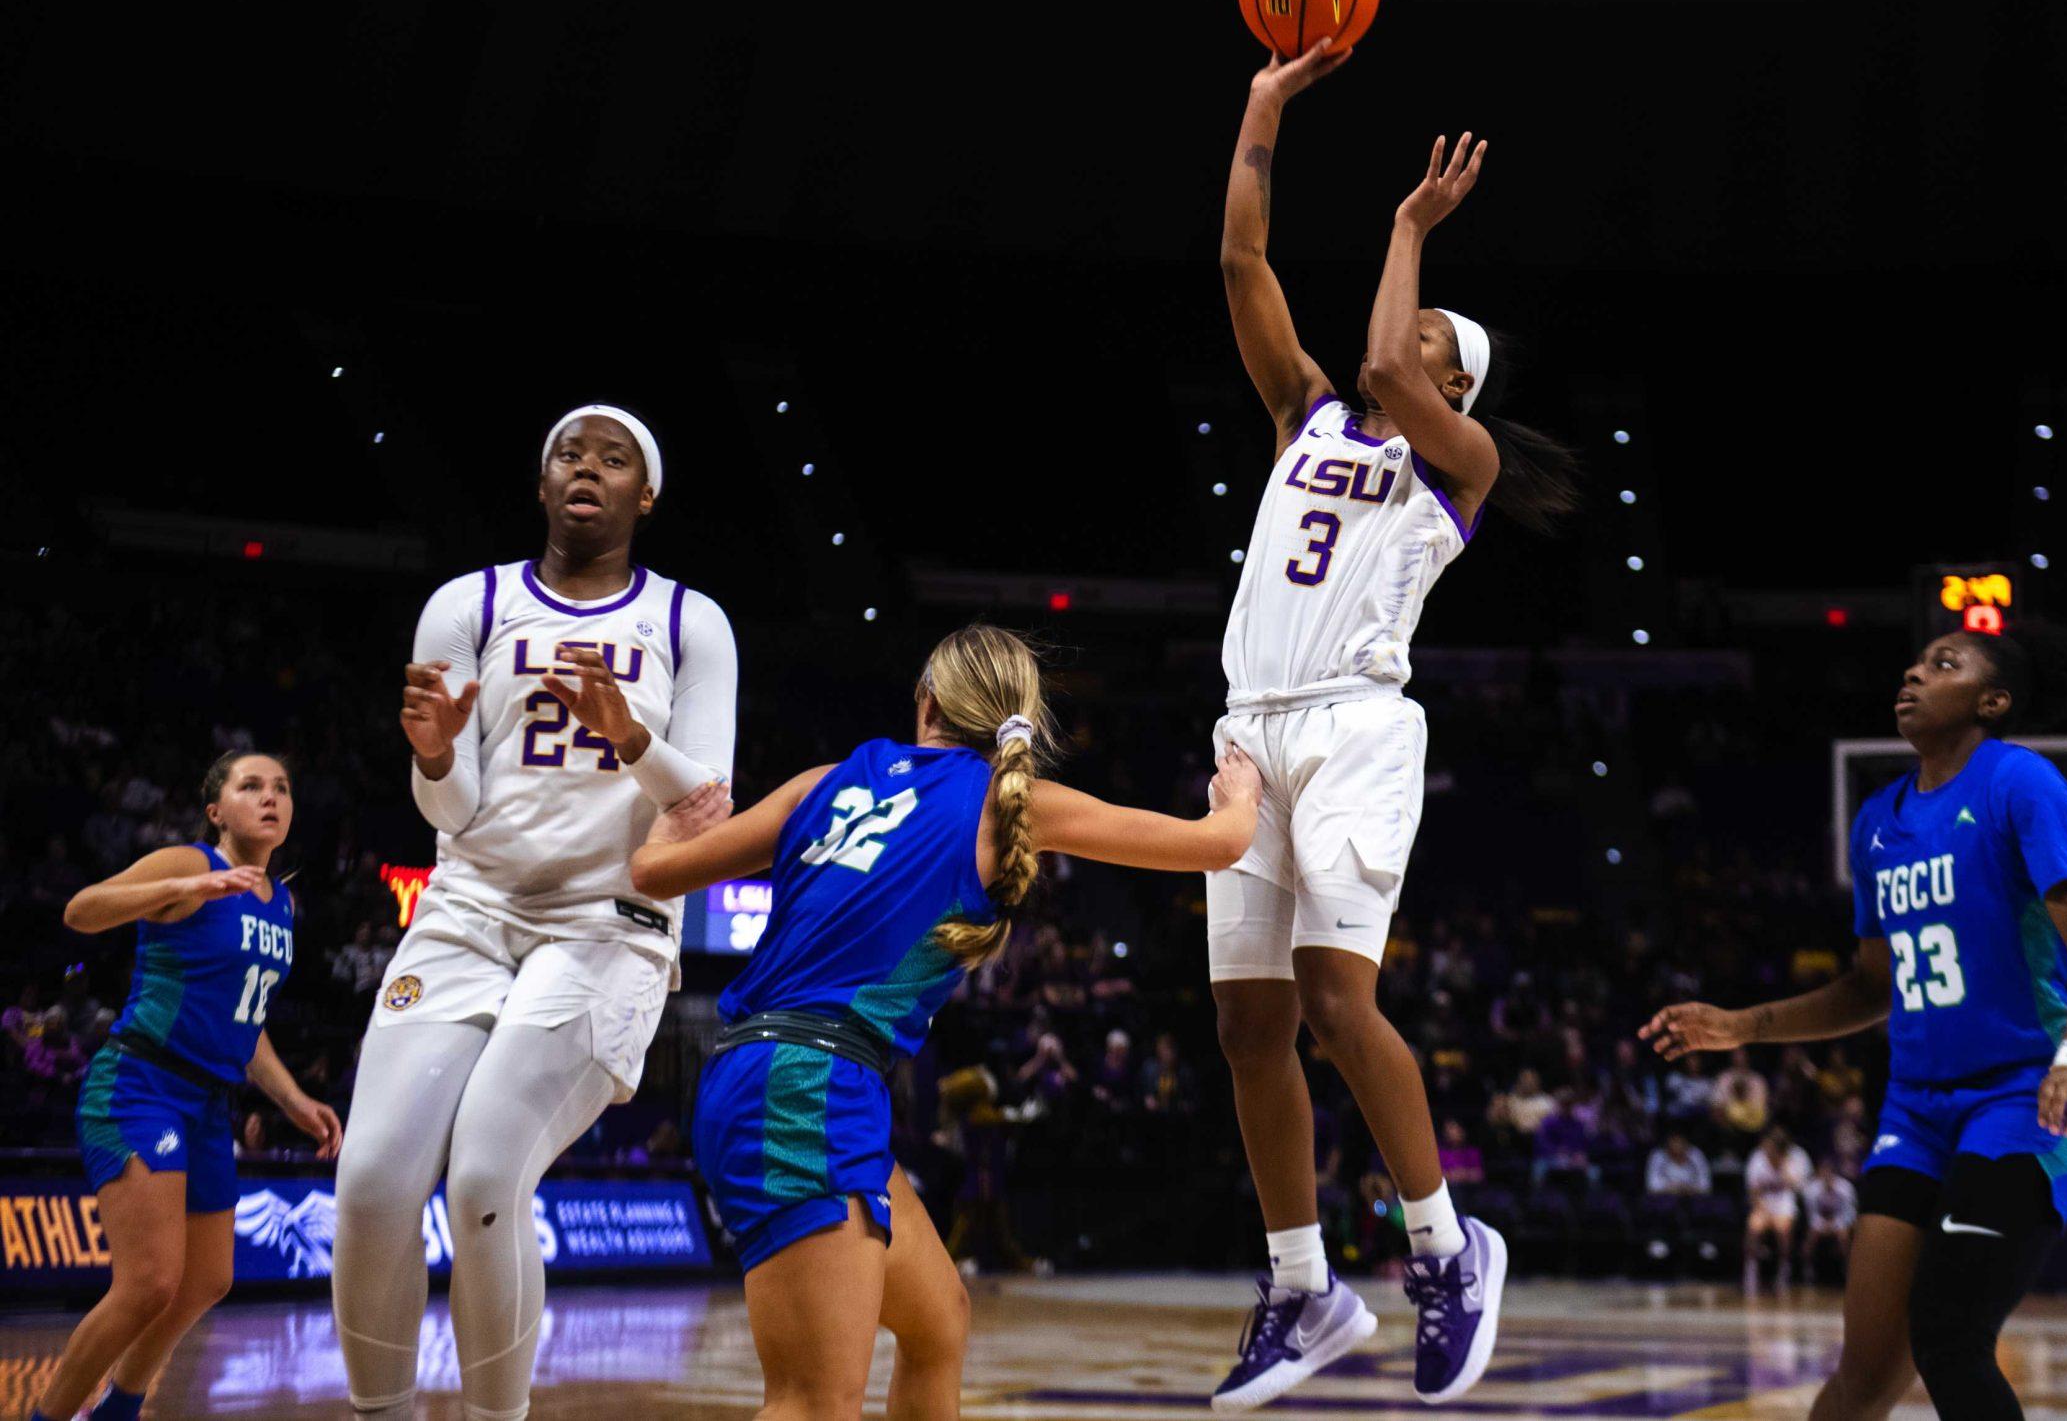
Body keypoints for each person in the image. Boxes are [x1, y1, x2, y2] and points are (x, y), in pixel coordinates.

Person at [624, 623, 1266, 1421]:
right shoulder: (1006, 803)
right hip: (807, 1087)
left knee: (937, 1323)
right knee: (814, 1401)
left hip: (777, 1076)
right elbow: (1221, 843)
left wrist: (674, 815)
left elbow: (651, 873)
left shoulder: (828, 778)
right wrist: (1241, 787)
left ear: (925, 699)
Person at [1204, 43, 1575, 1411]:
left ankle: (1443, 1246)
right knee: (1250, 1026)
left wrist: (1411, 229)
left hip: (1358, 727)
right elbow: (1245, 268)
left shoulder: (1455, 466)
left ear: (1454, 392)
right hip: (1250, 728)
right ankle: (1302, 1283)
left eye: (1429, 347)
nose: (1400, 347)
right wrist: (1261, 108)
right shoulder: (1306, 419)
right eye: (1412, 325)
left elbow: (1377, 349)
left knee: (1338, 1001)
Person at [332, 404, 738, 1421]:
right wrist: (433, 756)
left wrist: (631, 736)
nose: (587, 468)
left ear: (646, 496)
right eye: (569, 453)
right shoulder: (466, 605)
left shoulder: (691, 623)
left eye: (614, 458)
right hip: (469, 907)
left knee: (481, 1180)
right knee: (375, 1183)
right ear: (543, 483)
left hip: (609, 925)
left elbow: (708, 807)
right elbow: (454, 809)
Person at [1643, 620, 2067, 1421]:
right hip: (1916, 1108)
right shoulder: (1877, 822)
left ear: (1991, 699)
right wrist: (1743, 1026)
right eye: (1915, 661)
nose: (1913, 673)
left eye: (1944, 663)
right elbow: (1873, 984)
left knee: (1949, 1334)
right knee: (1864, 1373)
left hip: (2024, 1097)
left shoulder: (2022, 783)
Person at [34, 753, 341, 1421]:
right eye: (251, 786)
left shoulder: (282, 901)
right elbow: (82, 910)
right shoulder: (192, 863)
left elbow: (247, 1024)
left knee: (207, 1278)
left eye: (282, 787)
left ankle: (118, 1408)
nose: (270, 797)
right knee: (149, 1281)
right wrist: (181, 891)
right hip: (141, 1083)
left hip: (207, 1102)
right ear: (216, 810)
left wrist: (293, 1099)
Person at [1743, 1127, 1813, 1294]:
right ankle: (1751, 1273)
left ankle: (1783, 1272)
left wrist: (1784, 1166)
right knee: (1754, 1227)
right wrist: (1762, 1209)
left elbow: (1799, 1187)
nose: (1768, 1150)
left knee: (1783, 1230)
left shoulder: (1794, 1158)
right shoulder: (1757, 1158)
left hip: (1784, 1204)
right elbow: (1753, 1191)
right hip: (1763, 1204)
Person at [1803, 1156, 1861, 1283]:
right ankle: (1808, 1268)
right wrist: (1822, 1224)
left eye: (1829, 1172)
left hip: (1839, 1221)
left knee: (1843, 1236)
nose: (1826, 1175)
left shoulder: (1846, 1188)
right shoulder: (1811, 1189)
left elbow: (1849, 1212)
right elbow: (1811, 1213)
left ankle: (1846, 1268)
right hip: (1819, 1222)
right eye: (1823, 1171)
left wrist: (1836, 1224)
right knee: (1811, 1236)